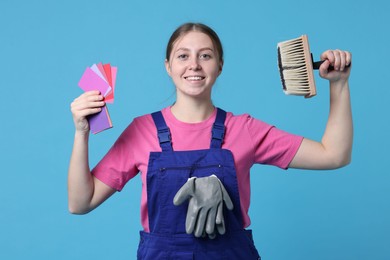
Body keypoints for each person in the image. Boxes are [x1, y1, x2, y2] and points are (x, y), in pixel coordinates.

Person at [68, 22, 352, 259]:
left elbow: (333, 155)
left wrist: (338, 84)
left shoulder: (244, 129)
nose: (194, 65)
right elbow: (81, 202)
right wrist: (82, 132)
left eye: (205, 56)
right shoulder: (142, 131)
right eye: (183, 56)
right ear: (168, 66)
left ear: (220, 66)